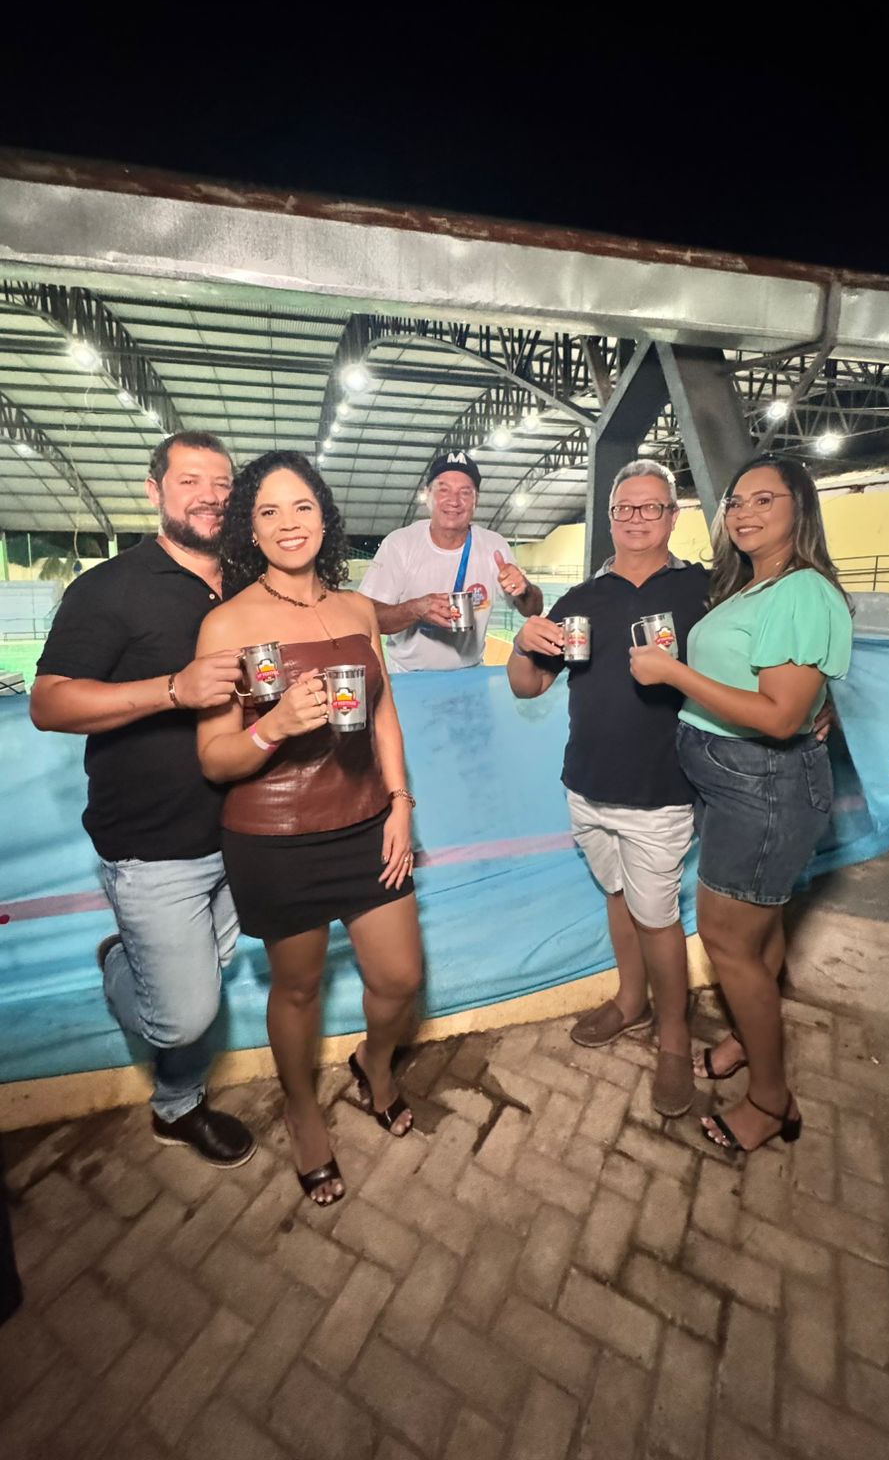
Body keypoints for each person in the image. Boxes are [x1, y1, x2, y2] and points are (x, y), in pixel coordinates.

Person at [195, 451, 423, 1207]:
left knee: (399, 978)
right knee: (296, 990)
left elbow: (383, 714)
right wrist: (275, 726)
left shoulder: (357, 610)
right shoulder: (227, 622)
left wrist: (400, 802)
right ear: (250, 530)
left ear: (324, 518)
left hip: (365, 822)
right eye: (268, 511)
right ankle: (301, 1112)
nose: (288, 524)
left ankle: (374, 1064)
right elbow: (215, 758)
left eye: (302, 507)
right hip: (274, 836)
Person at [30, 433, 254, 1167]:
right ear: (155, 491)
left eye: (223, 484)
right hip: (154, 843)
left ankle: (166, 1058)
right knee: (185, 1015)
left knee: (212, 968)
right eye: (191, 481)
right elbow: (49, 702)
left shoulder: (249, 580)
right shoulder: (110, 587)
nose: (211, 497)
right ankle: (172, 1091)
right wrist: (173, 689)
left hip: (243, 828)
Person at [630, 454, 853, 1154]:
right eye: (736, 502)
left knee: (728, 941)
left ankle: (771, 1099)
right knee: (760, 930)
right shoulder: (754, 585)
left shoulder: (802, 589)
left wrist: (673, 673)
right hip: (736, 781)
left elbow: (780, 717)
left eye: (765, 499)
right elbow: (790, 695)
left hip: (764, 786)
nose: (745, 512)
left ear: (799, 509)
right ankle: (749, 1042)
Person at [507, 460, 709, 1117]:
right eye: (625, 508)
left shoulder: (703, 591)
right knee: (618, 895)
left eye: (651, 507)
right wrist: (522, 642)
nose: (636, 519)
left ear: (672, 517)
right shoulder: (582, 599)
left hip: (662, 788)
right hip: (588, 784)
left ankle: (674, 1037)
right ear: (612, 516)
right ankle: (630, 1000)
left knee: (657, 915)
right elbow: (528, 685)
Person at [360, 450, 543, 671]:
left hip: (470, 674)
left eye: (465, 492)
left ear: (476, 500)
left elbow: (532, 609)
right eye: (443, 489)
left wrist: (524, 589)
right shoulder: (399, 544)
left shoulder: (494, 545)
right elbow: (365, 617)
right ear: (427, 494)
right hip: (408, 676)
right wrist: (415, 609)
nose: (454, 501)